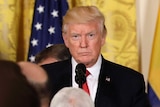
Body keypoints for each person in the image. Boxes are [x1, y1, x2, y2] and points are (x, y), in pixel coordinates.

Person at [42, 6, 151, 107]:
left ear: (103, 37)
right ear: (66, 40)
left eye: (90, 35)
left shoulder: (129, 82)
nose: (83, 44)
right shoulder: (45, 78)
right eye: (76, 36)